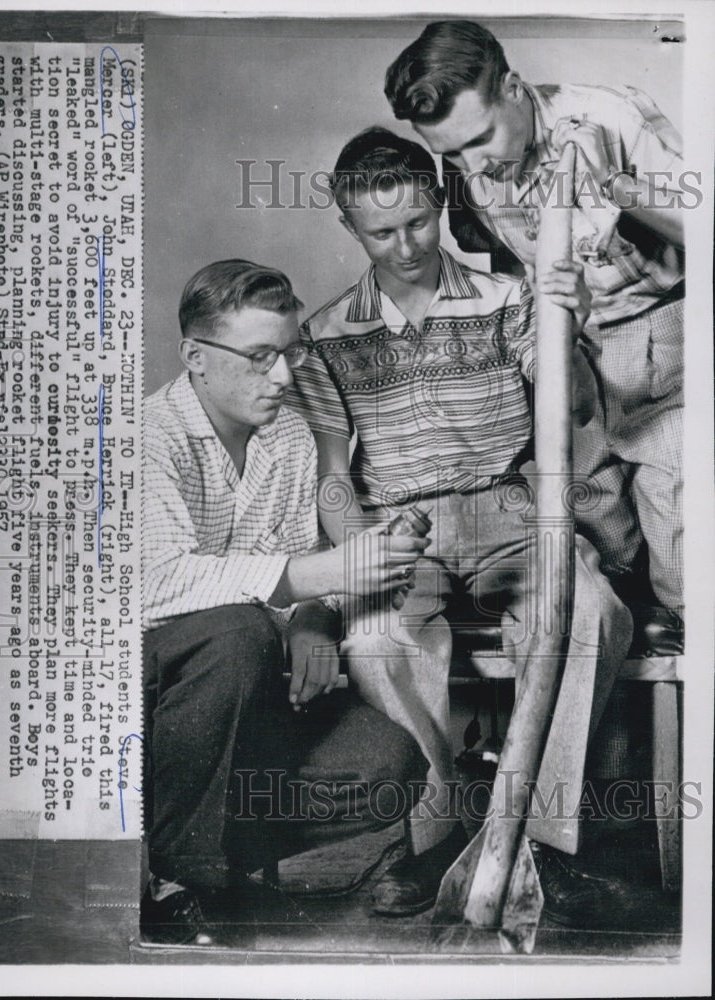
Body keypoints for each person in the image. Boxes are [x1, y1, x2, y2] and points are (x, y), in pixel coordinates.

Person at [287, 127, 633, 924]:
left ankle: (537, 841)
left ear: (441, 201)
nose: (405, 244)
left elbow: (574, 410)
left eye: (418, 220)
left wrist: (567, 329)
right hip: (403, 521)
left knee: (591, 614)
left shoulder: (510, 299)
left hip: (513, 506)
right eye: (382, 231)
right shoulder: (326, 336)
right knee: (375, 639)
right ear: (348, 225)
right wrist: (360, 551)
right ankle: (434, 839)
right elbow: (334, 478)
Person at [141, 259, 429, 946]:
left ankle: (211, 860)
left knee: (390, 765)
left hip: (251, 700)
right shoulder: (149, 434)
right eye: (260, 357)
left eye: (291, 352)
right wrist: (315, 579)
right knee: (237, 634)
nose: (284, 376)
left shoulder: (292, 435)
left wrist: (314, 619)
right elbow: (156, 584)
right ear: (196, 357)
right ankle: (182, 884)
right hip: (151, 699)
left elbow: (306, 573)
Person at [384, 19, 685, 620]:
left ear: (514, 88)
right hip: (568, 342)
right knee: (600, 524)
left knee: (678, 523)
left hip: (662, 333)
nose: (473, 164)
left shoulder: (609, 116)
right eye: (453, 153)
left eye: (482, 137)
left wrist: (618, 188)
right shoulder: (469, 164)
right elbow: (506, 261)